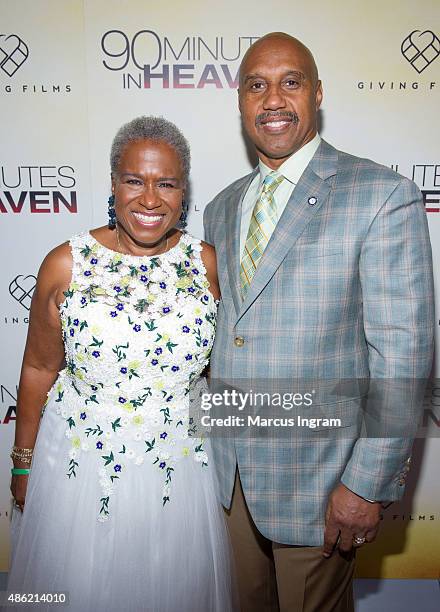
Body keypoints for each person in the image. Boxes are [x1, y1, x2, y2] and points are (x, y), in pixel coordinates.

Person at [203, 32, 434, 612]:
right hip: (229, 479)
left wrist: (366, 484)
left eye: (290, 82)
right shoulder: (222, 206)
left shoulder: (381, 194)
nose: (272, 99)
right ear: (239, 101)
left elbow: (403, 355)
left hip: (322, 480)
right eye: (256, 85)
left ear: (318, 93)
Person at [6, 116, 236, 612]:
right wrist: (21, 464)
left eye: (166, 183)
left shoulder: (208, 265)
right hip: (78, 469)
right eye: (134, 180)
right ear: (113, 184)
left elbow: (224, 373)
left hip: (178, 472)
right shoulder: (66, 263)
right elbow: (39, 370)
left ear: (184, 191)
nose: (150, 199)